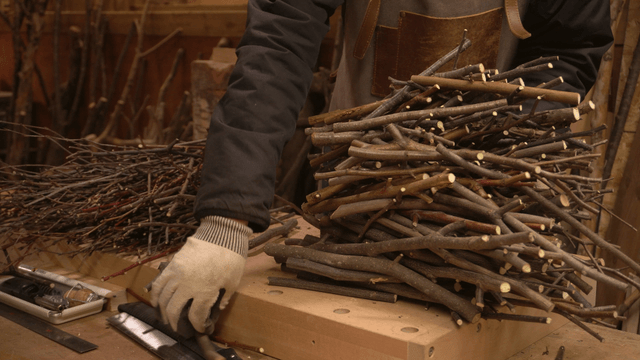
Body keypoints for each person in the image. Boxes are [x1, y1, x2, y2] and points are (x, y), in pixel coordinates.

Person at [150, 0, 613, 336]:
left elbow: (572, 54)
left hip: (497, 198)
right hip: (357, 187)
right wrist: (228, 217)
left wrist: (475, 128)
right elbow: (278, 43)